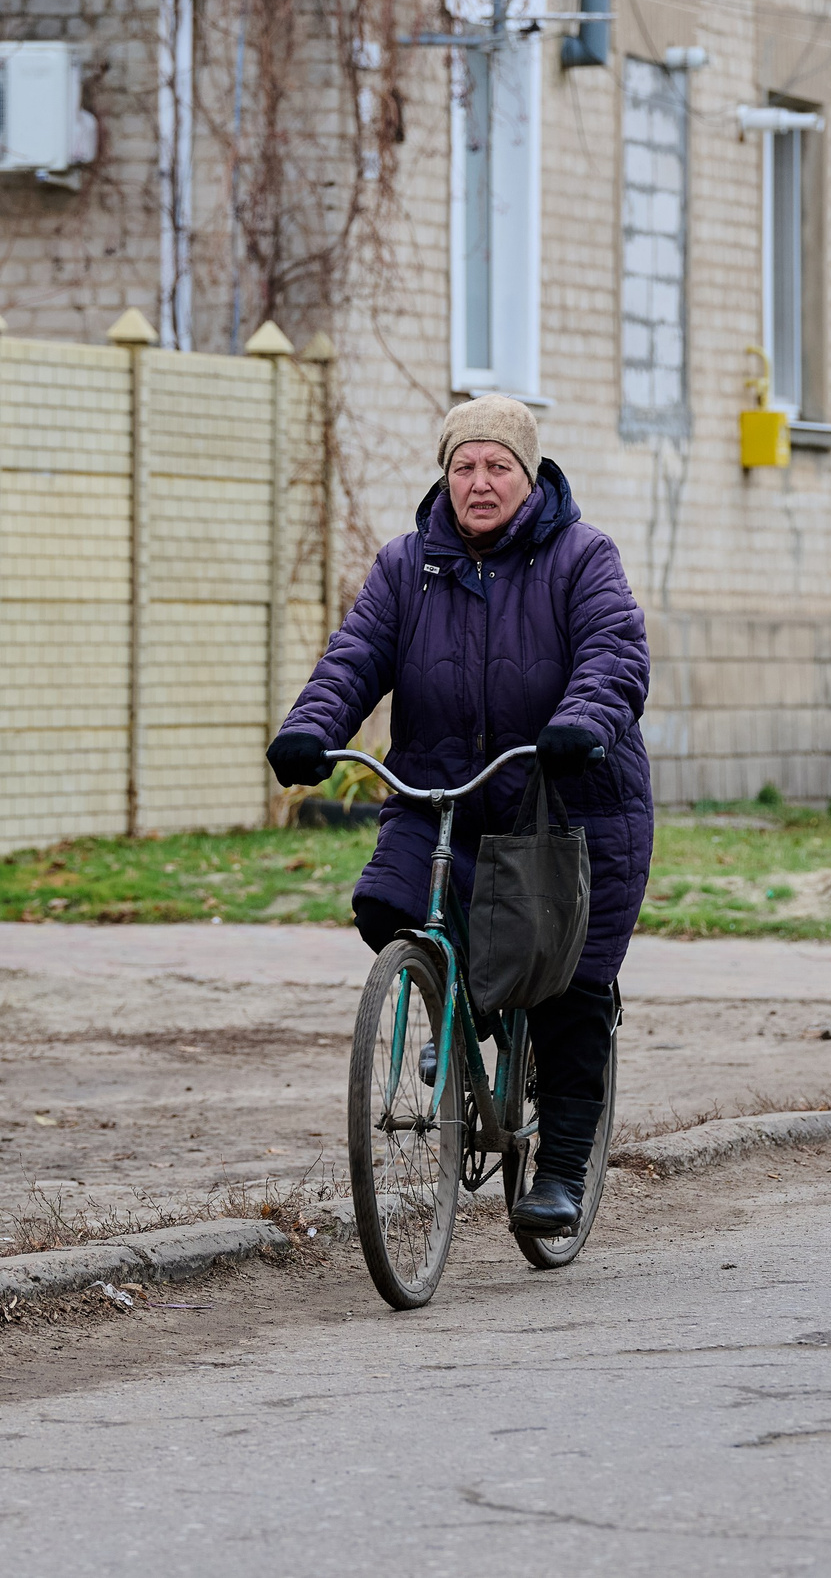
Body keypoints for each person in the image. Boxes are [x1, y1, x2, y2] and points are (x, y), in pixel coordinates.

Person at [268, 395, 654, 1237]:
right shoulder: (409, 565)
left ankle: (556, 1174)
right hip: (441, 791)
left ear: (528, 474)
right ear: (445, 476)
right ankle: (460, 1004)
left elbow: (614, 651)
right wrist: (309, 729)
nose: (480, 483)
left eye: (497, 467)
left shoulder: (582, 556)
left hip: (568, 805)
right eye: (464, 466)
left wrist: (583, 720)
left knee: (567, 984)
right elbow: (356, 655)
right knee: (387, 905)